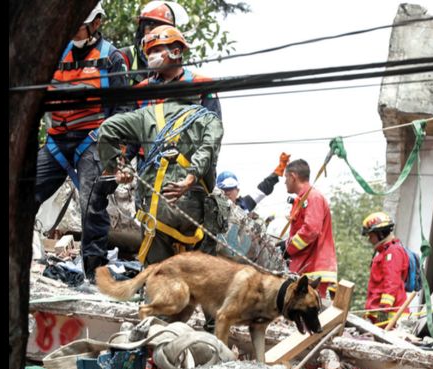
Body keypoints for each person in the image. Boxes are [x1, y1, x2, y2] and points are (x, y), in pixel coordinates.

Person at [34, 2, 128, 283]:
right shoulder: (53, 54)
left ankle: (94, 275)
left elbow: (123, 109)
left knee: (92, 203)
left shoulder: (111, 58)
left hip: (92, 139)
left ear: (95, 23)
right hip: (57, 141)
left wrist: (116, 154)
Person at [97, 99, 223, 265]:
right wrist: (189, 179)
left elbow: (107, 128)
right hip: (195, 208)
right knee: (196, 272)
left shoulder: (147, 114)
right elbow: (207, 150)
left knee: (158, 272)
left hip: (157, 207)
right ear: (197, 95)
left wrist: (118, 167)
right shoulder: (209, 119)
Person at [135, 25, 221, 118]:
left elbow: (213, 122)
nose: (151, 57)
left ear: (176, 53)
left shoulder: (203, 85)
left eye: (156, 51)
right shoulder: (140, 90)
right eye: (149, 53)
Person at [282, 159, 338, 298]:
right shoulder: (303, 199)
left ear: (293, 177)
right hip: (306, 268)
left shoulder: (313, 197)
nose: (284, 182)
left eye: (286, 177)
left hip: (314, 269)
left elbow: (311, 230)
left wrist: (288, 248)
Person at [118, 1, 189, 86]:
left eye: (162, 29)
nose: (156, 33)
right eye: (151, 28)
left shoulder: (177, 65)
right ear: (142, 30)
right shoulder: (124, 55)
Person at [361, 212, 410, 324]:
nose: (369, 239)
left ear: (381, 234)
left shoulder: (393, 252)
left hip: (389, 317)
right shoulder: (384, 252)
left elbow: (392, 282)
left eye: (371, 236)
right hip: (379, 315)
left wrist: (384, 308)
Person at [215, 153, 291, 213]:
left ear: (237, 191)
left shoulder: (244, 204)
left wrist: (279, 170)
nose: (227, 192)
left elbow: (262, 190)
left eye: (230, 189)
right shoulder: (212, 207)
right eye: (223, 189)